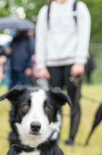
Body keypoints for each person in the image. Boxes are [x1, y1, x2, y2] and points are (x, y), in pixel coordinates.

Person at [36, 0, 91, 145]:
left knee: (74, 101)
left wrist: (80, 60)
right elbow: (40, 38)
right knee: (53, 102)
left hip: (73, 62)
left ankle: (71, 138)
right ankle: (54, 136)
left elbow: (84, 34)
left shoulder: (78, 7)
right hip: (52, 63)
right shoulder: (46, 11)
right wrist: (41, 65)